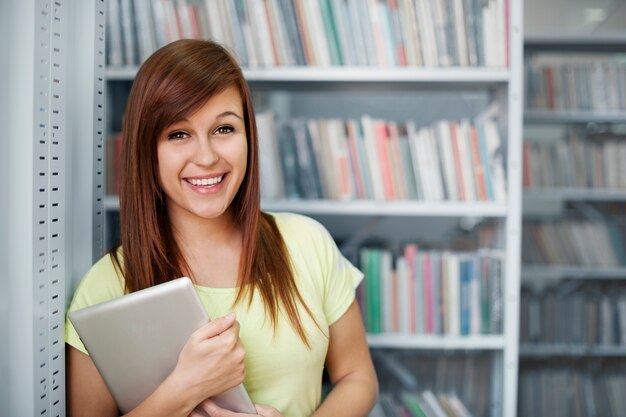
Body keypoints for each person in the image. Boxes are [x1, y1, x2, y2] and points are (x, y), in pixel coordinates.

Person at [65, 38, 378, 417]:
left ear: (249, 135)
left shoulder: (307, 243)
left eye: (224, 129)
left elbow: (358, 377)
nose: (207, 156)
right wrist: (186, 387)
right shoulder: (107, 287)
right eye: (178, 134)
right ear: (147, 150)